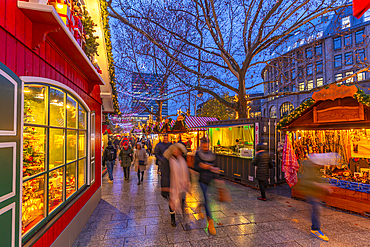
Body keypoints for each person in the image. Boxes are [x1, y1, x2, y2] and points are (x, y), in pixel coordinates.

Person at [300, 157, 334, 242]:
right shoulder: (310, 169)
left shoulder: (313, 168)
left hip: (312, 192)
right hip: (309, 191)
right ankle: (315, 229)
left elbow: (316, 180)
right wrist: (324, 186)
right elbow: (311, 182)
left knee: (316, 209)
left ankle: (315, 228)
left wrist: (325, 186)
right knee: (316, 209)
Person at [194, 138, 219, 236]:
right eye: (204, 146)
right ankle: (210, 222)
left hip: (211, 180)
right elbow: (195, 167)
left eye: (207, 146)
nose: (205, 148)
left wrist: (217, 177)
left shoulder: (212, 154)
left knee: (206, 199)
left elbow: (216, 166)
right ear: (201, 145)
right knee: (207, 200)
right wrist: (202, 166)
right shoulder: (198, 154)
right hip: (203, 180)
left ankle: (200, 206)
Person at [163, 143, 190, 227]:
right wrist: (166, 186)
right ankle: (173, 218)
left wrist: (188, 183)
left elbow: (186, 172)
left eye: (177, 150)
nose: (176, 151)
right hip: (172, 185)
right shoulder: (168, 160)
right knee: (172, 202)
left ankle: (184, 215)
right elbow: (165, 174)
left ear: (180, 151)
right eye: (174, 150)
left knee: (182, 200)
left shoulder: (182, 160)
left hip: (182, 185)